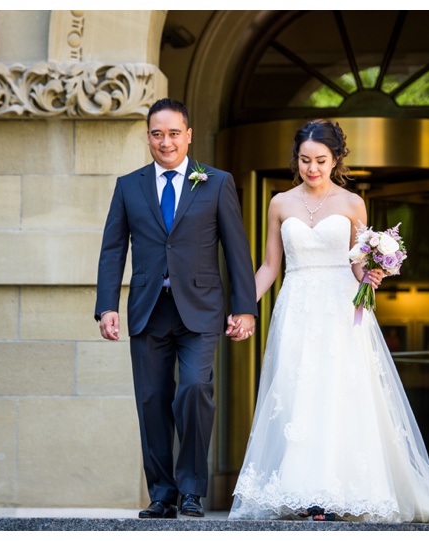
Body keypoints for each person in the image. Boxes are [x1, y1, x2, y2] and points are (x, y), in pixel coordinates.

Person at [227, 120, 429, 524]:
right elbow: (270, 265)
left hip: (341, 310)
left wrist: (374, 275)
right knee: (297, 395)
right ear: (296, 159)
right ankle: (303, 492)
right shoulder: (279, 203)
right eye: (305, 160)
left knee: (338, 397)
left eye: (321, 161)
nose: (312, 168)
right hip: (295, 308)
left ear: (335, 160)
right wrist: (244, 306)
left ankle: (334, 494)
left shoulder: (352, 204)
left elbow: (359, 265)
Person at [95, 98, 257, 519]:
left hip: (200, 310)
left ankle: (191, 489)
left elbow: (237, 250)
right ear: (148, 137)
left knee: (194, 390)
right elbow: (113, 249)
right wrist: (106, 307)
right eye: (156, 133)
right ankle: (163, 494)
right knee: (151, 400)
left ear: (188, 135)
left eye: (172, 133)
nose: (165, 142)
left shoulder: (216, 182)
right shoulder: (129, 186)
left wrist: (245, 308)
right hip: (148, 310)